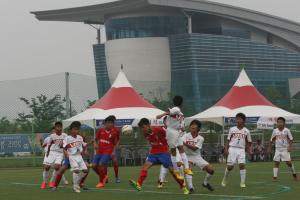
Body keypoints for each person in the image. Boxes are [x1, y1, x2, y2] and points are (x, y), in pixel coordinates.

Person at [129, 118, 189, 195]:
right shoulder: (145, 134)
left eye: (143, 127)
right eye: (141, 128)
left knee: (171, 170)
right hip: (154, 153)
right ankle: (139, 185)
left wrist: (170, 147)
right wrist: (152, 146)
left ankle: (183, 187)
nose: (142, 129)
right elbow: (153, 140)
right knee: (145, 167)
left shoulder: (160, 130)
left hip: (163, 152)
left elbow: (170, 137)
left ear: (148, 125)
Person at [156, 95, 193, 180]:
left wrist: (180, 127)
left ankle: (187, 168)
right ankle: (176, 170)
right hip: (171, 131)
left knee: (181, 149)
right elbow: (170, 112)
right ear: (182, 103)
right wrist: (161, 115)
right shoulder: (177, 109)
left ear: (173, 102)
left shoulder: (180, 113)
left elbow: (175, 121)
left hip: (177, 131)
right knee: (174, 151)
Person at [182, 120, 215, 194]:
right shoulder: (186, 135)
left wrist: (185, 144)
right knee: (188, 170)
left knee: (211, 170)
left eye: (195, 125)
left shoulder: (200, 138)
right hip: (187, 156)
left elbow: (195, 148)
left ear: (198, 128)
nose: (192, 126)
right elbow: (181, 143)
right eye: (192, 124)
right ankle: (191, 188)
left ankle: (205, 183)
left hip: (197, 157)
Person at [221, 113, 252, 188]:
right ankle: (225, 178)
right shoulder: (232, 129)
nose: (238, 120)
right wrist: (226, 149)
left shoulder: (246, 131)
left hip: (241, 150)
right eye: (237, 119)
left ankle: (242, 182)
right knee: (230, 167)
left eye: (239, 119)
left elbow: (248, 143)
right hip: (232, 149)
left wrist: (248, 153)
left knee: (241, 165)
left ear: (243, 120)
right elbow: (228, 140)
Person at [158, 116, 186, 189]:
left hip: (175, 148)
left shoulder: (175, 129)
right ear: (163, 122)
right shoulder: (161, 130)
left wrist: (183, 131)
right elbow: (159, 139)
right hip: (165, 149)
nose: (167, 122)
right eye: (166, 121)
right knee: (165, 165)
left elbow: (181, 136)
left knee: (179, 164)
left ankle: (183, 179)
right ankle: (161, 181)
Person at [267, 117, 298, 182]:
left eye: (281, 122)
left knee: (288, 163)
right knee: (276, 162)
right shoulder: (275, 131)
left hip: (285, 149)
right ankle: (275, 177)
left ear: (284, 123)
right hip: (278, 149)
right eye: (278, 122)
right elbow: (271, 140)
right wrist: (269, 148)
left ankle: (294, 173)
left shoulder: (287, 130)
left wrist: (289, 147)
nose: (279, 123)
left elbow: (291, 139)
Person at [62, 121, 89, 193]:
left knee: (86, 170)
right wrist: (67, 153)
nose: (76, 131)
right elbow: (63, 147)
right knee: (76, 170)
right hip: (72, 156)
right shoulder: (68, 138)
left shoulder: (80, 137)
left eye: (77, 129)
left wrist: (91, 143)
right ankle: (75, 186)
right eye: (74, 129)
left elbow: (84, 144)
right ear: (71, 130)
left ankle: (75, 181)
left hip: (79, 156)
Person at [91, 116, 117, 187]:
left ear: (113, 124)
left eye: (111, 123)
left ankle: (101, 182)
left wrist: (113, 152)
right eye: (108, 123)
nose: (110, 124)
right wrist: (95, 144)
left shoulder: (114, 133)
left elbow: (114, 144)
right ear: (105, 123)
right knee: (93, 166)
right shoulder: (100, 130)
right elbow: (96, 139)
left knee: (101, 164)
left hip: (107, 152)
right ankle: (104, 176)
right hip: (99, 152)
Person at [41, 122, 68, 189]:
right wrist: (48, 152)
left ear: (62, 128)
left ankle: (51, 182)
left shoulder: (65, 135)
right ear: (55, 128)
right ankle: (44, 182)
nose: (59, 128)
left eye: (60, 127)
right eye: (57, 127)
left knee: (57, 167)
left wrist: (63, 145)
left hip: (60, 153)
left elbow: (66, 144)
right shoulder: (52, 136)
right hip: (52, 152)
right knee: (46, 167)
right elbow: (49, 145)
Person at [104, 115, 120, 183]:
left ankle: (116, 177)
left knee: (115, 160)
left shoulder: (117, 130)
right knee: (104, 162)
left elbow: (118, 139)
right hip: (106, 148)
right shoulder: (104, 129)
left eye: (113, 121)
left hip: (113, 148)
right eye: (109, 122)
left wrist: (117, 145)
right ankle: (105, 177)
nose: (110, 123)